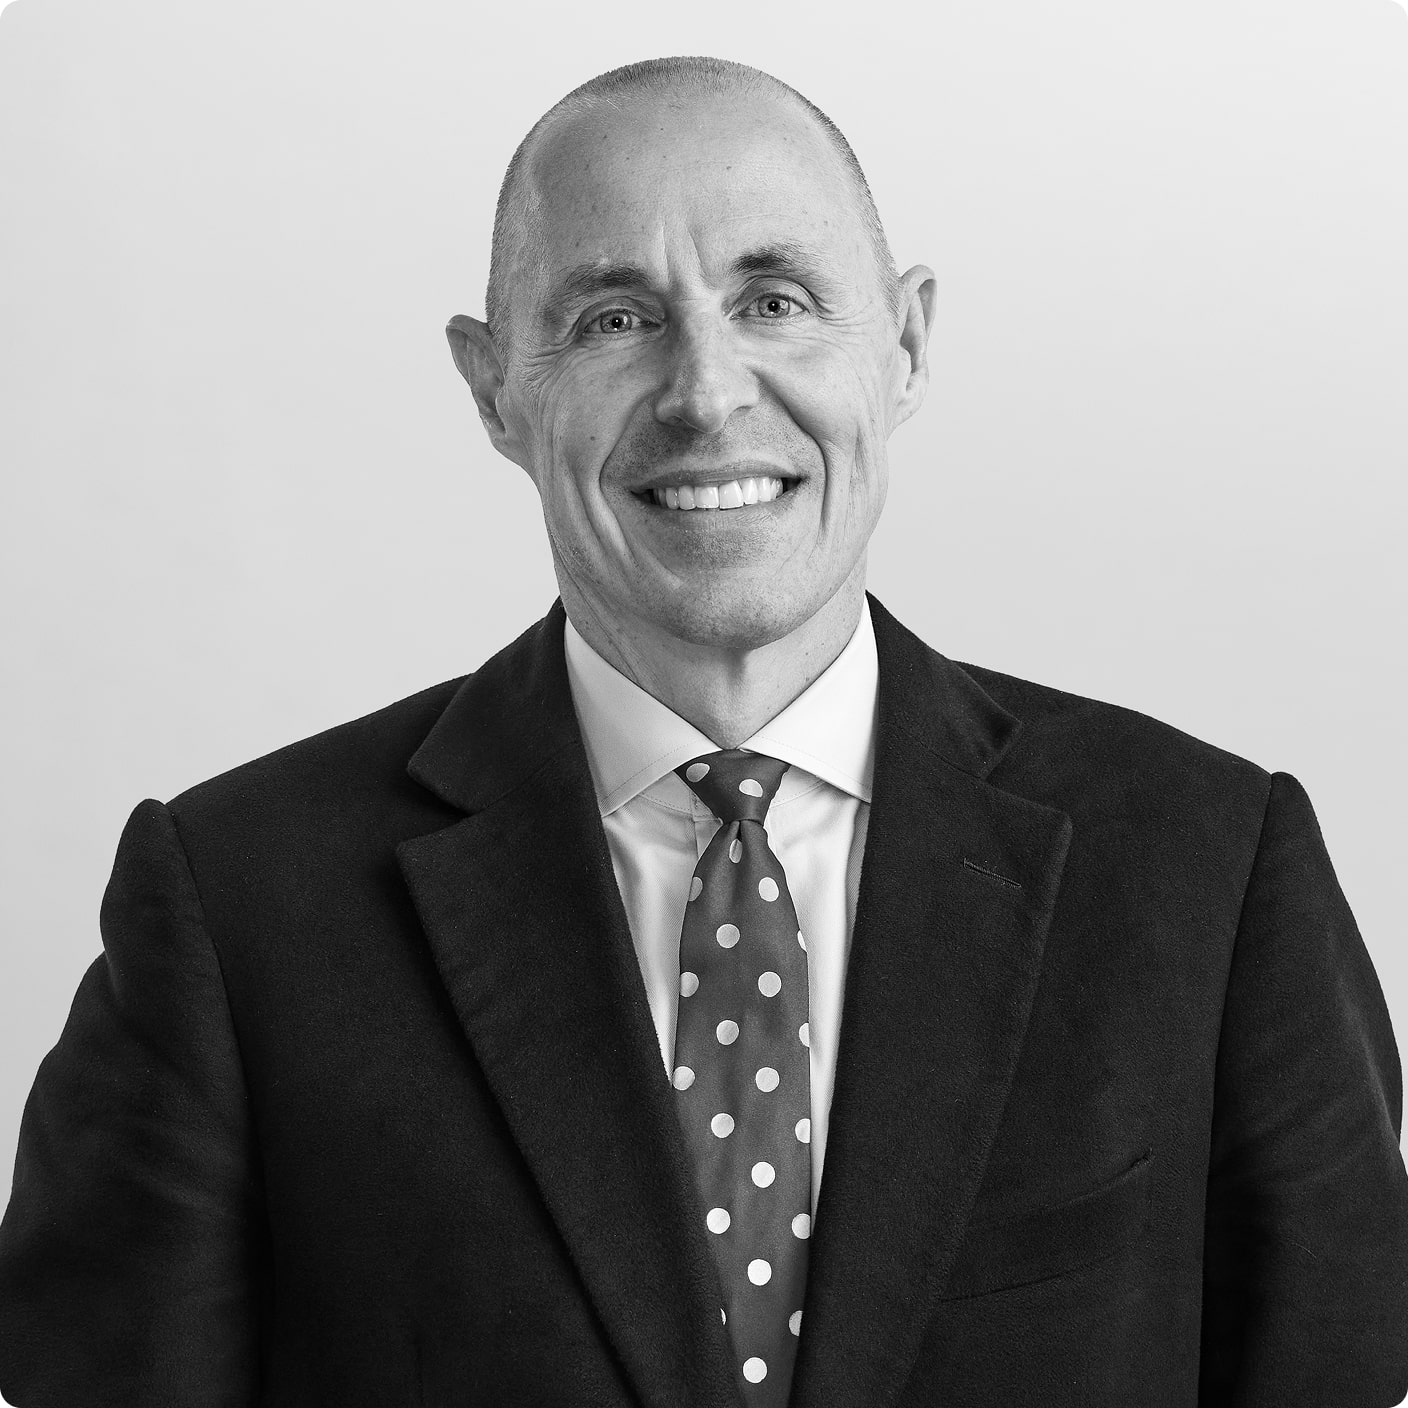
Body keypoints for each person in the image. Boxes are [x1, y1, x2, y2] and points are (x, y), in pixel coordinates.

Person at [1, 53, 1406, 1408]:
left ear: (907, 344)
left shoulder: (1211, 871)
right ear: (493, 388)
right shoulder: (237, 907)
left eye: (776, 301)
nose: (707, 392)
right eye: (614, 319)